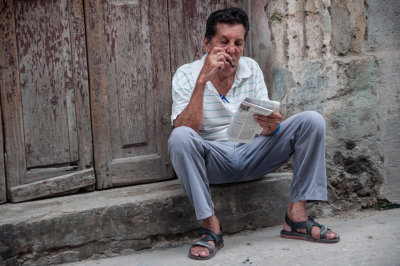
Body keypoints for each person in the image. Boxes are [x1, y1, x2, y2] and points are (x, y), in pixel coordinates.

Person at [168, 7, 340, 260]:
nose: (232, 50)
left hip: (252, 152)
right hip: (213, 160)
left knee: (311, 121)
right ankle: (210, 228)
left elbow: (264, 124)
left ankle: (296, 218)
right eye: (223, 42)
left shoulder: (250, 68)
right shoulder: (187, 74)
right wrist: (202, 82)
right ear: (207, 43)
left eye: (238, 43)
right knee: (179, 137)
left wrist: (272, 127)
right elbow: (186, 129)